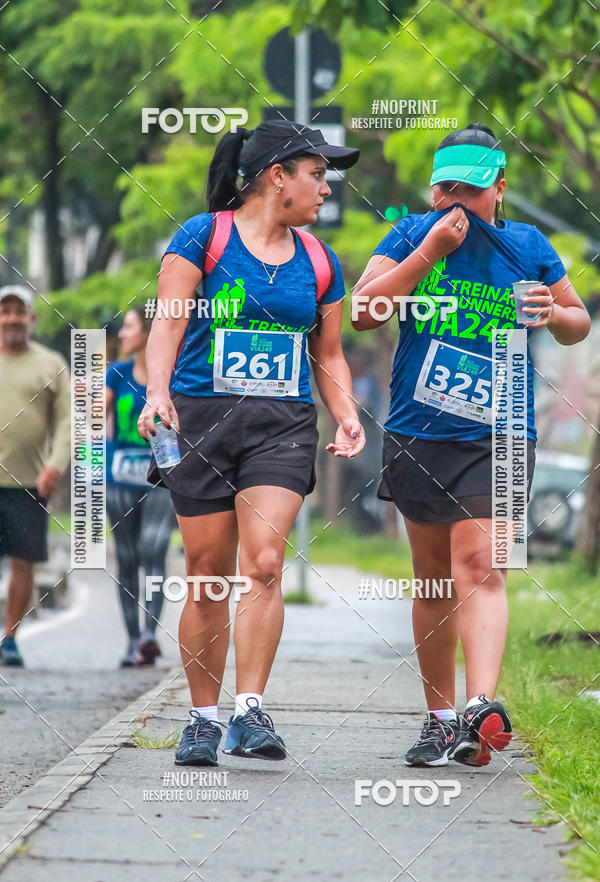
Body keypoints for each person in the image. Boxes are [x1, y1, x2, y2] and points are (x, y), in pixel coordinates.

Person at [353, 124, 590, 767]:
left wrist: (552, 312)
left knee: (484, 564)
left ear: (500, 189)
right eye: (447, 188)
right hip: (419, 432)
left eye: (472, 189)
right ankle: (439, 718)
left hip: (504, 433)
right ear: (433, 190)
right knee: (433, 582)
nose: (456, 201)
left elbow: (577, 323)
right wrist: (428, 252)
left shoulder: (529, 246)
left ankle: (480, 708)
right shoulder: (410, 234)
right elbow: (364, 311)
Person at [138, 120, 365, 766]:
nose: (326, 188)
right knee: (206, 570)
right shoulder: (202, 238)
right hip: (199, 420)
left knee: (264, 563)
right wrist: (157, 393)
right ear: (277, 176)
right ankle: (202, 720)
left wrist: (346, 413)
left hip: (281, 426)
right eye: (317, 175)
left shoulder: (319, 261)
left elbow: (328, 355)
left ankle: (249, 710)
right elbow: (167, 327)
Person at [0, 285, 70, 667]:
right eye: (5, 311)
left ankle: (10, 638)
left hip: (29, 481)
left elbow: (68, 421)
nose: (12, 319)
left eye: (19, 312)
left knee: (24, 562)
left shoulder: (50, 364)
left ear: (31, 318)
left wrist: (55, 464)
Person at [106, 307, 177, 666]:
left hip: (161, 475)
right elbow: (92, 417)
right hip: (121, 476)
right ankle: (133, 639)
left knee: (154, 547)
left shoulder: (174, 374)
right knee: (128, 556)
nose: (122, 334)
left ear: (149, 331)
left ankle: (150, 634)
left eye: (129, 327)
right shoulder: (116, 374)